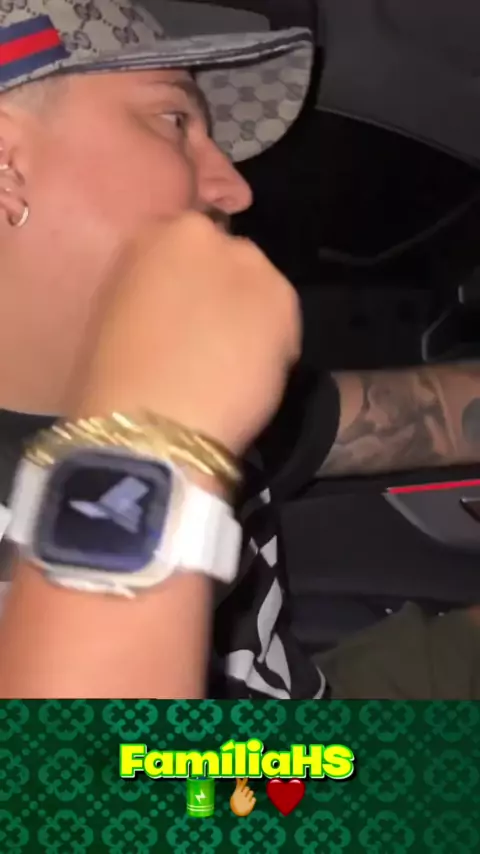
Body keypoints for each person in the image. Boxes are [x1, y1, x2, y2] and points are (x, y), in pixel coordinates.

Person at [0, 0, 479, 699]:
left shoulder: (201, 389)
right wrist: (156, 433)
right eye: (173, 120)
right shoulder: (173, 408)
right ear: (6, 163)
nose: (236, 188)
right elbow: (90, 770)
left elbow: (423, 414)